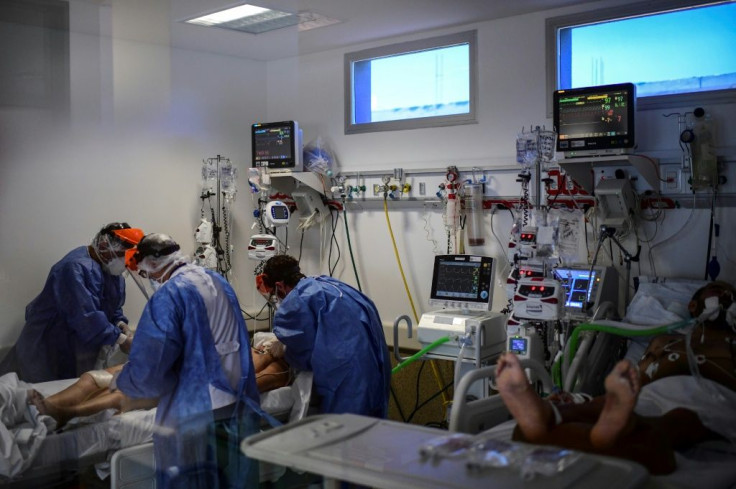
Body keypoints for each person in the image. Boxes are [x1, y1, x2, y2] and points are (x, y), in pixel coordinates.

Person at [495, 280, 736, 475]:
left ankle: (616, 424)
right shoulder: (665, 341)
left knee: (682, 418)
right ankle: (549, 415)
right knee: (600, 403)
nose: (726, 296)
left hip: (709, 398)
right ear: (693, 307)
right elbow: (636, 379)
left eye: (731, 295)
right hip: (650, 394)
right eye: (717, 290)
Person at [114, 233, 262, 489]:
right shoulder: (217, 280)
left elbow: (151, 364)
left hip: (197, 407)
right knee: (229, 477)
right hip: (235, 398)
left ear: (152, 264)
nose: (149, 280)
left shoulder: (169, 295)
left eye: (146, 274)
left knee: (192, 479)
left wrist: (123, 381)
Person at [0, 222, 144, 383]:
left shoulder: (110, 269)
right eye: (123, 256)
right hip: (47, 345)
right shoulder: (74, 268)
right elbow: (85, 317)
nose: (125, 263)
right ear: (104, 245)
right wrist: (121, 339)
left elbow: (112, 305)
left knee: (68, 389)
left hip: (77, 346)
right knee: (27, 395)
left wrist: (120, 324)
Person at [256, 254, 391, 418]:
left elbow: (303, 356)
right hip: (374, 364)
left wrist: (283, 350)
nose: (277, 299)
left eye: (275, 294)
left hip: (347, 375)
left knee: (347, 430)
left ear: (280, 286)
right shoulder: (327, 284)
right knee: (368, 427)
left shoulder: (298, 300)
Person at [27, 346, 290, 428]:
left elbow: (244, 385)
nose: (264, 347)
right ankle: (52, 406)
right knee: (95, 378)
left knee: (122, 395)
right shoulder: (251, 348)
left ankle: (66, 413)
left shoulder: (279, 370)